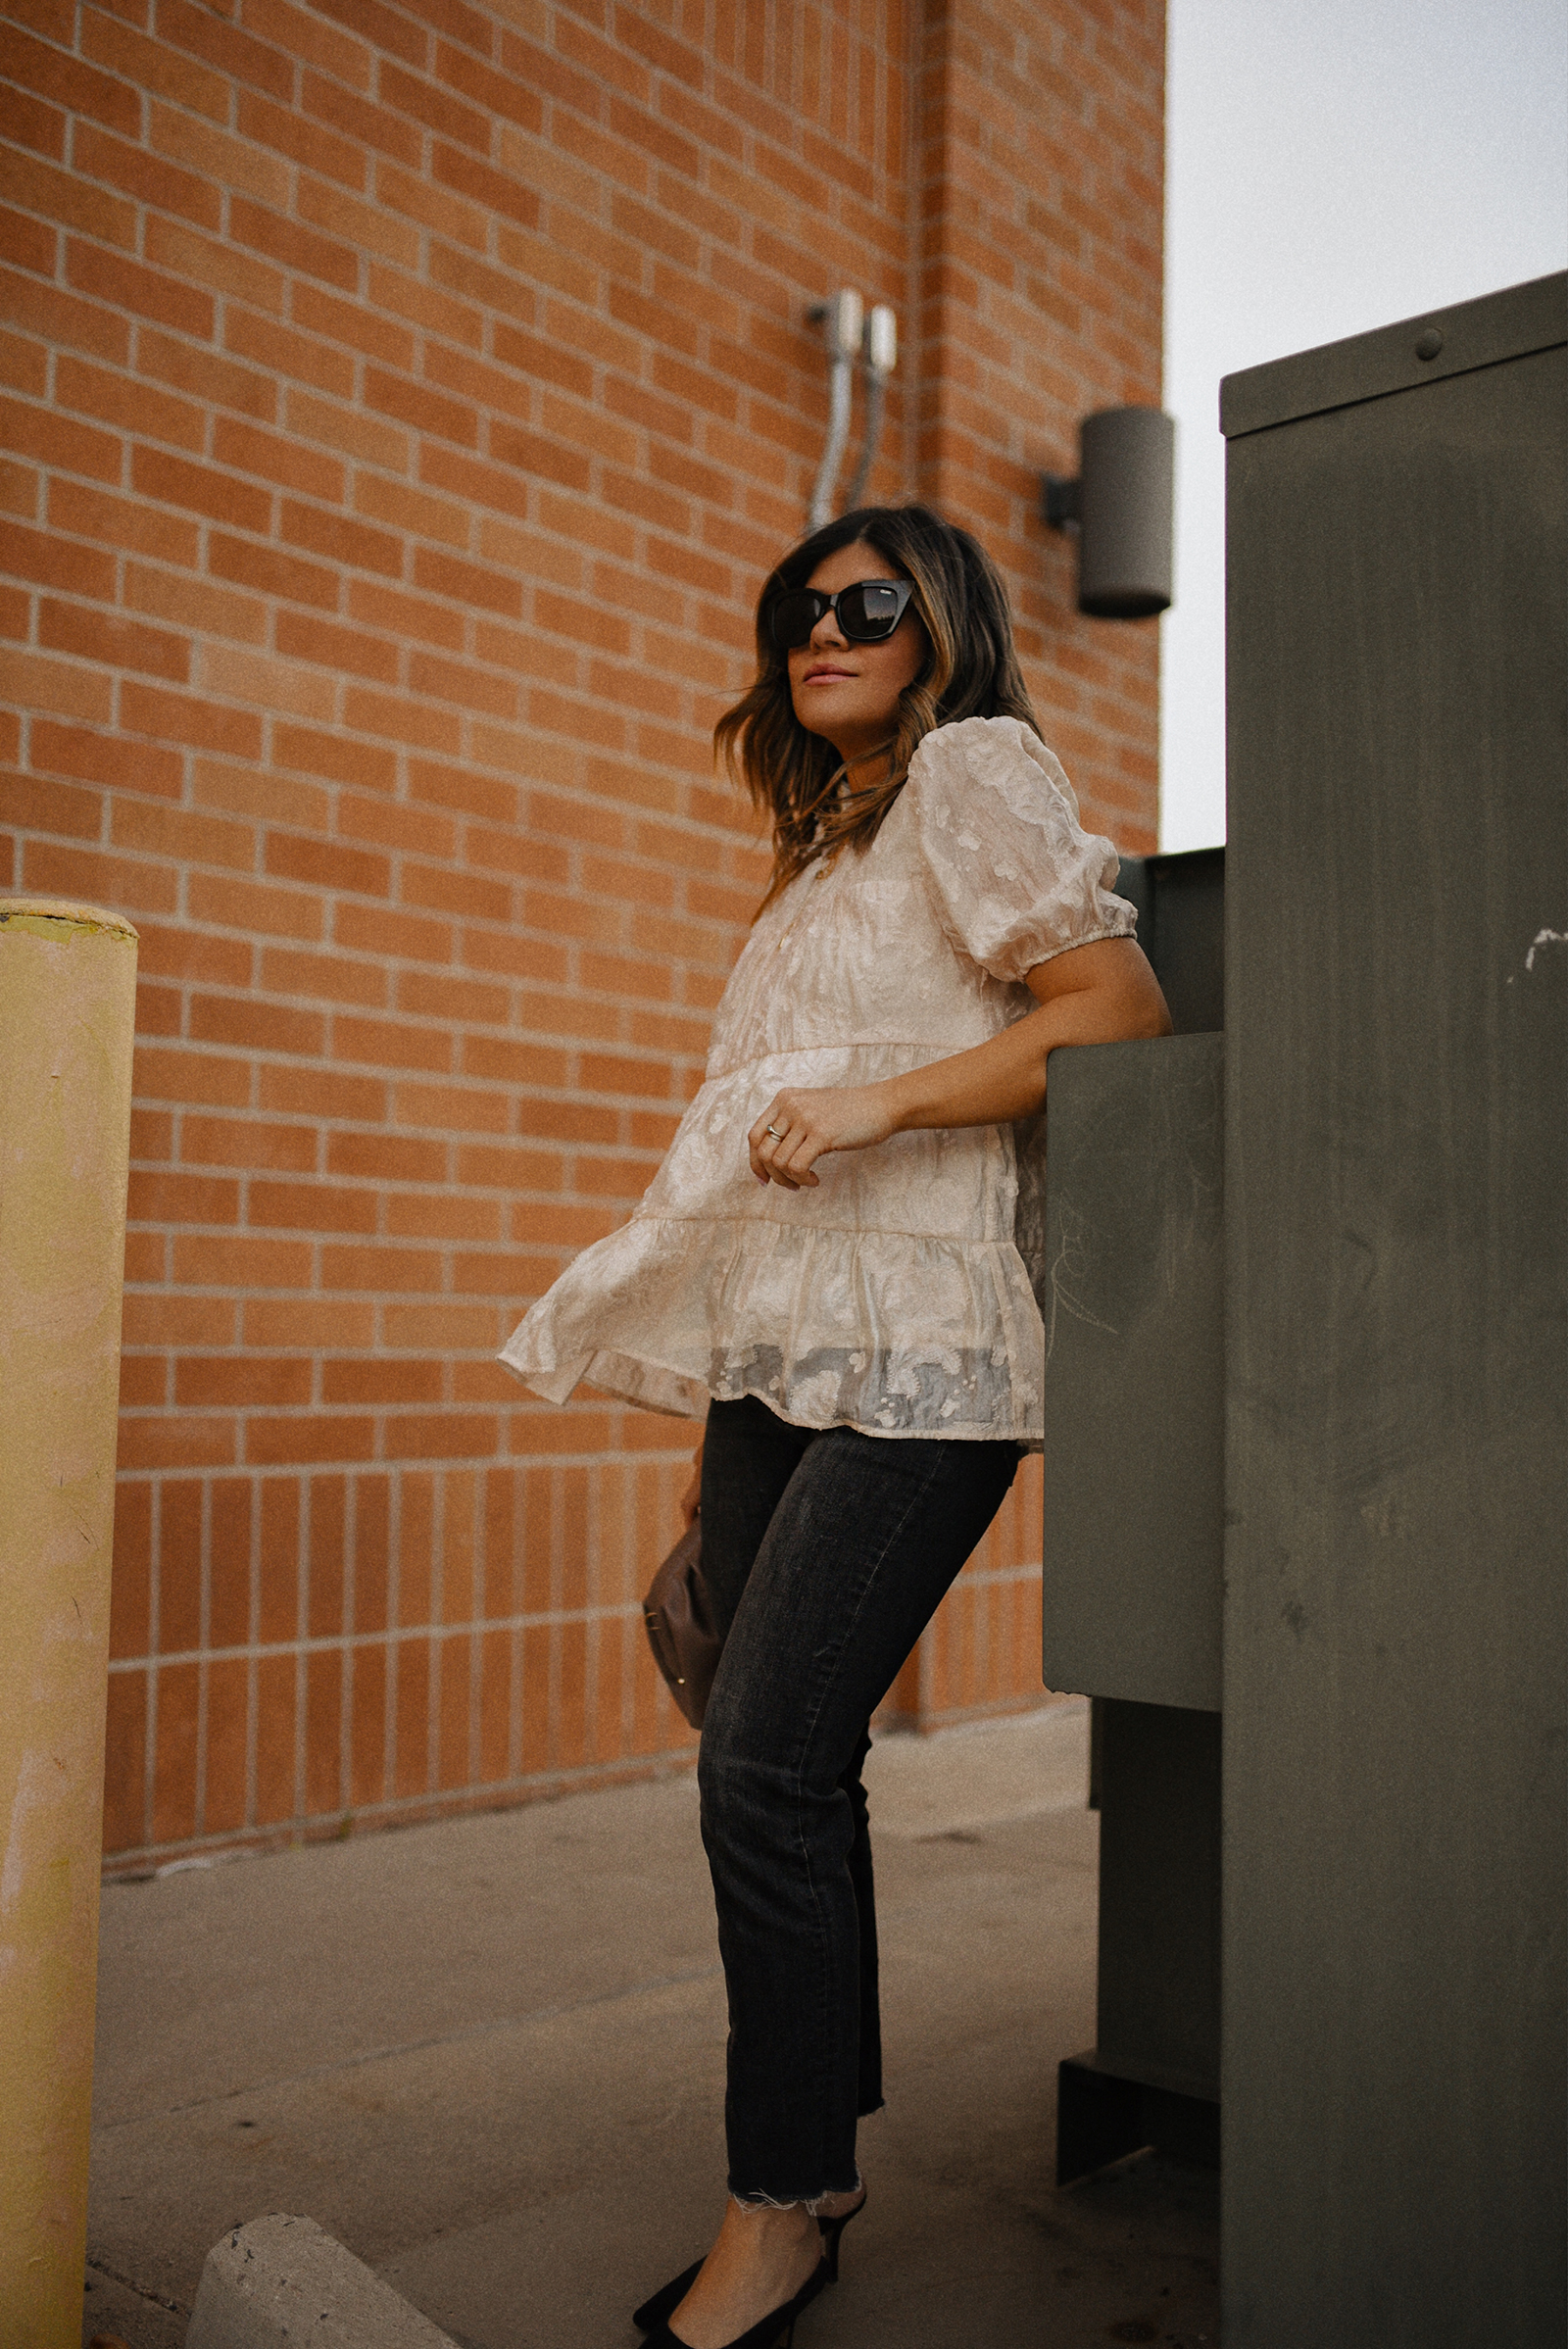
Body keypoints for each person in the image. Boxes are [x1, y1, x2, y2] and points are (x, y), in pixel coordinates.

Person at [501, 505, 1171, 2348]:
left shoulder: (974, 767)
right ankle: (827, 2150)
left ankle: (781, 2201)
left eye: (864, 603)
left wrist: (886, 1107)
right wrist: (725, 1424)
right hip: (787, 1363)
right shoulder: (820, 847)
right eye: (798, 612)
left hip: (930, 1355)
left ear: (940, 621)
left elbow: (1114, 1006)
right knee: (767, 1736)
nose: (822, 631)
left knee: (766, 1766)